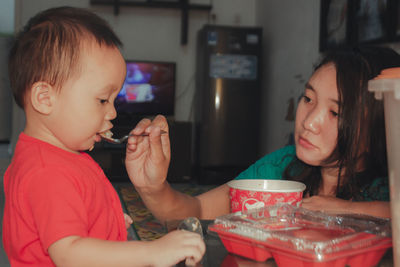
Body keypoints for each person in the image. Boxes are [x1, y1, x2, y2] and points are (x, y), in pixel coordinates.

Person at [2, 6, 204, 267]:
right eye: (102, 99)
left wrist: (105, 220)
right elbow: (69, 253)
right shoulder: (46, 171)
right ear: (45, 98)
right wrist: (153, 252)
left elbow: (68, 213)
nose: (112, 112)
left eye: (113, 99)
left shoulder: (62, 156)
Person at [126, 46, 400, 222]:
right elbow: (195, 212)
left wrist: (348, 210)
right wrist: (153, 187)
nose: (309, 123)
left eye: (335, 113)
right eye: (308, 98)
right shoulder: (282, 167)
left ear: (380, 121)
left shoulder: (389, 183)